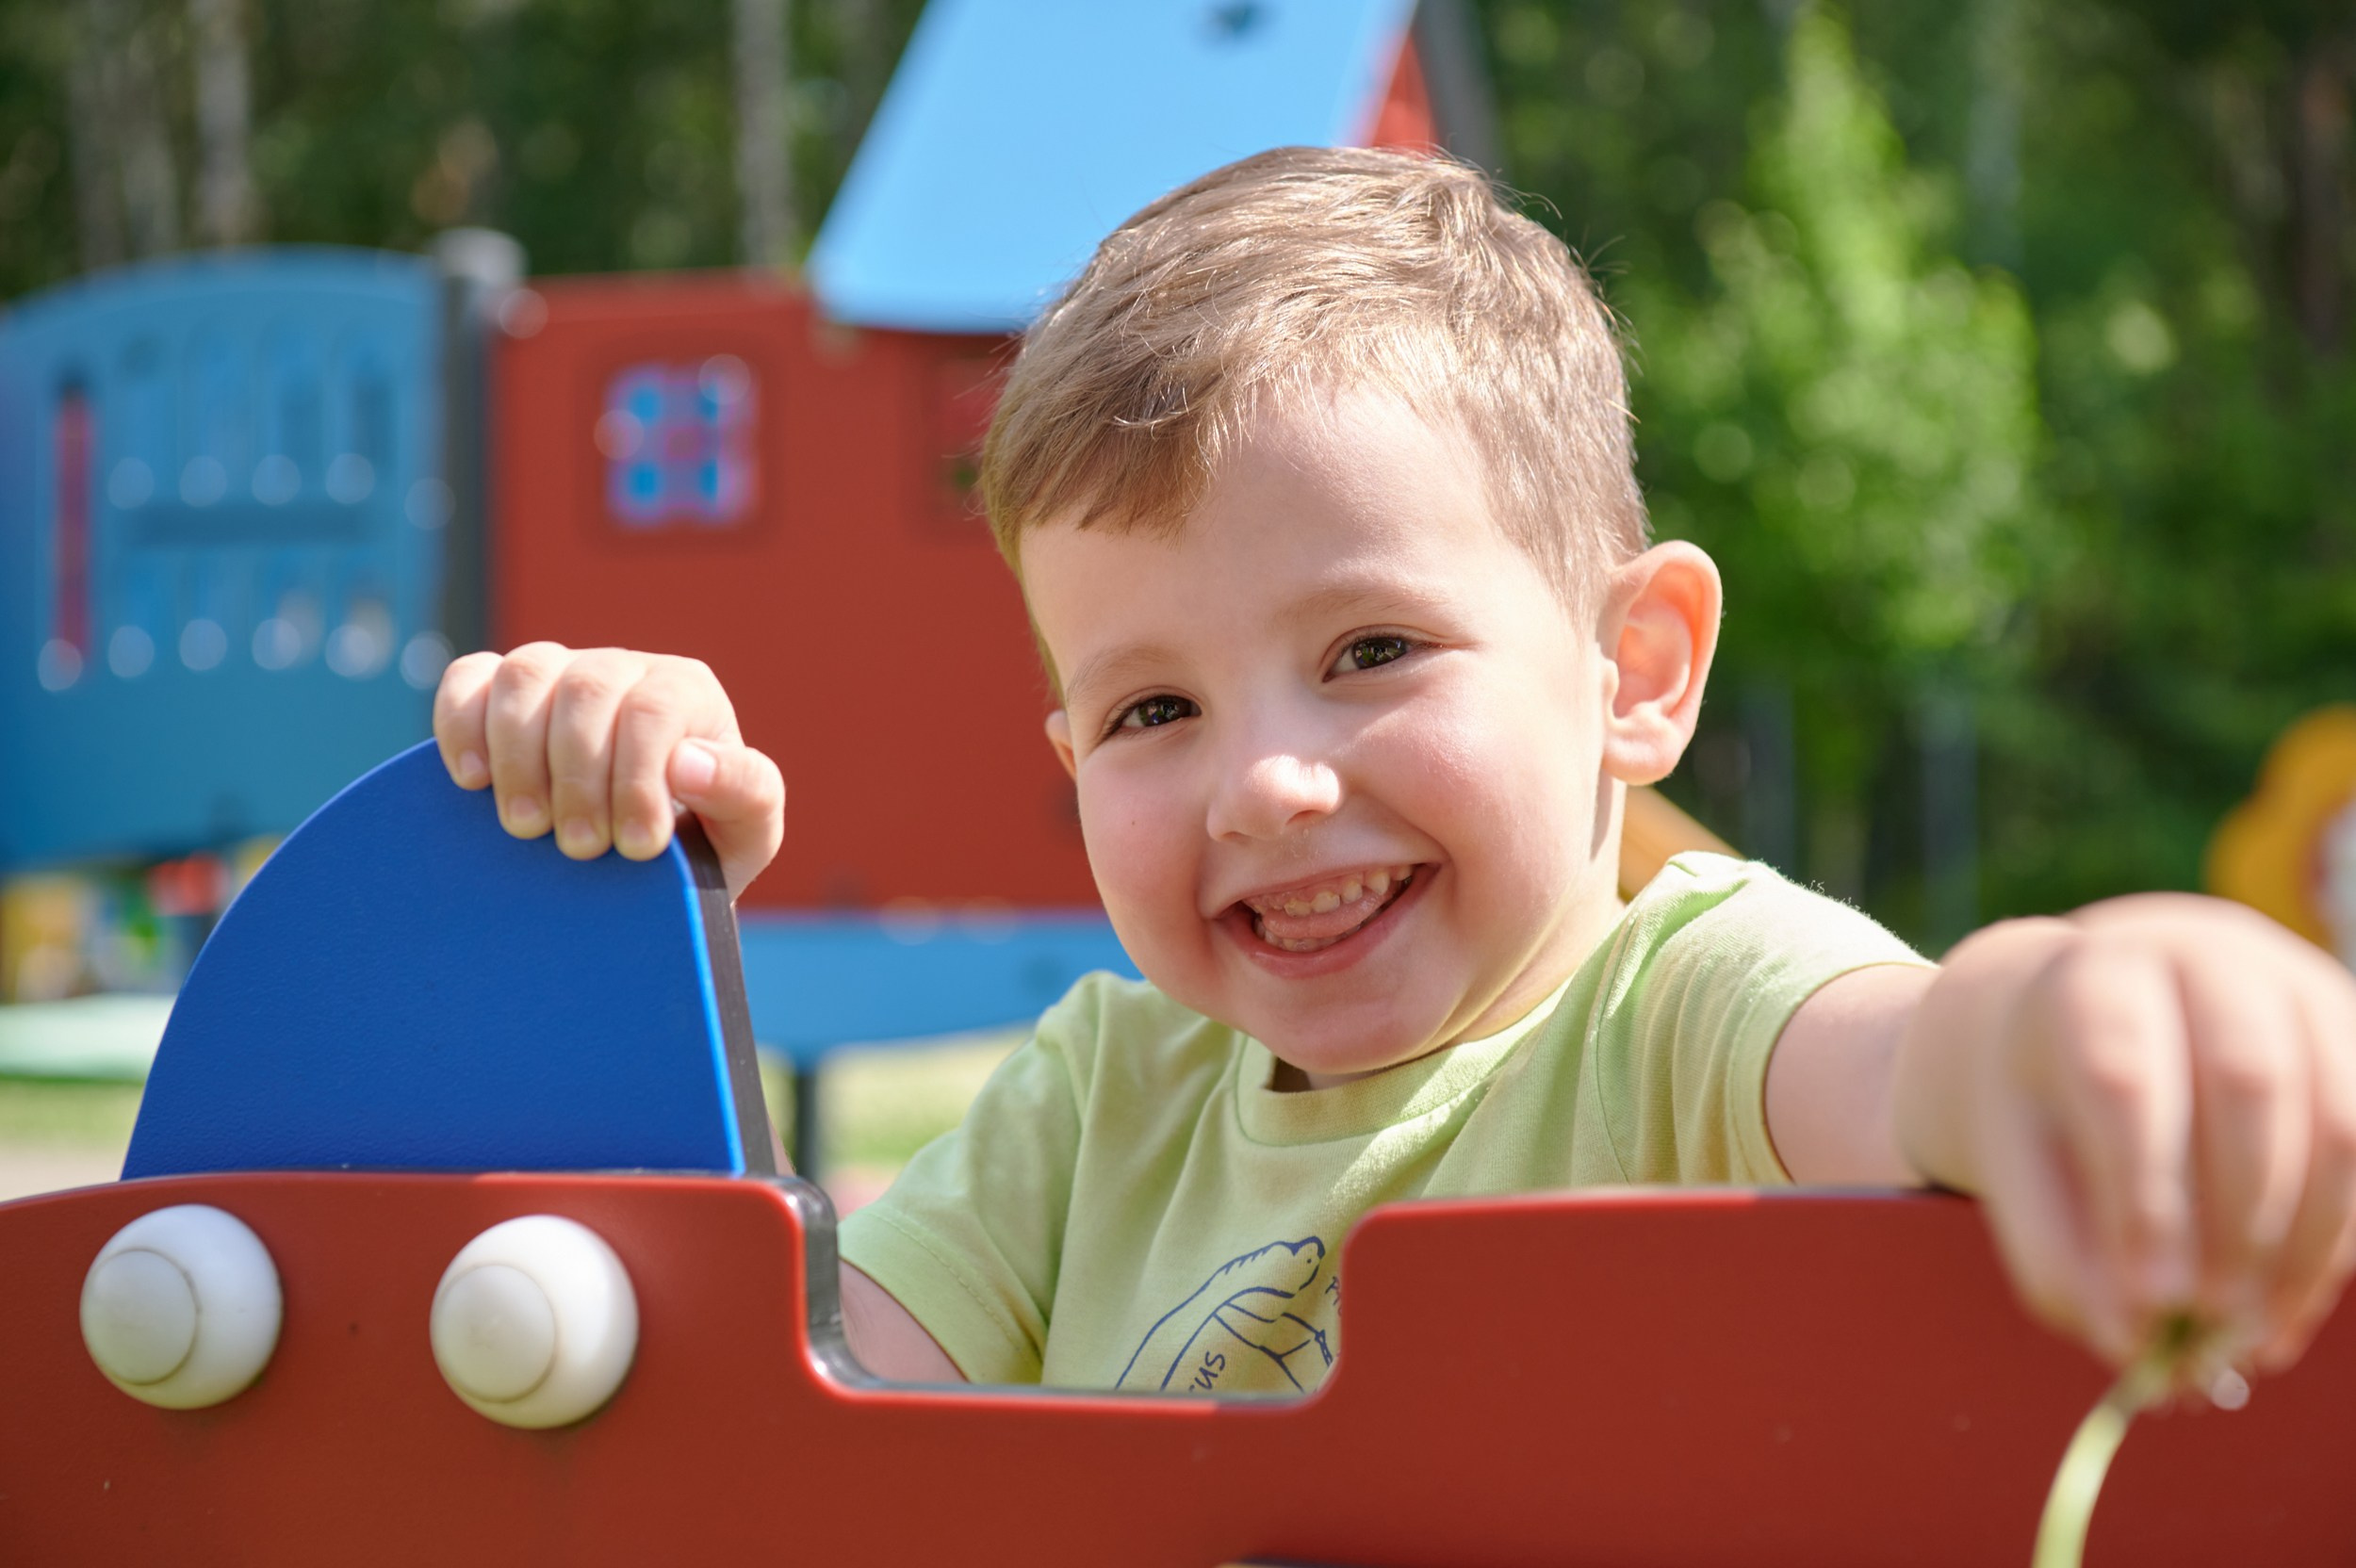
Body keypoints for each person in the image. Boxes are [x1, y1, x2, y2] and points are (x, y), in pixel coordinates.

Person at [432, 147, 2356, 1396]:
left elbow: (1928, 1060)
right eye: (1149, 712)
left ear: (1632, 669)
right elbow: (768, 1420)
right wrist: (624, 907)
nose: (1262, 783)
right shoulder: (1090, 1116)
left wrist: (2109, 991)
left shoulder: (1681, 1005)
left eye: (1367, 654)